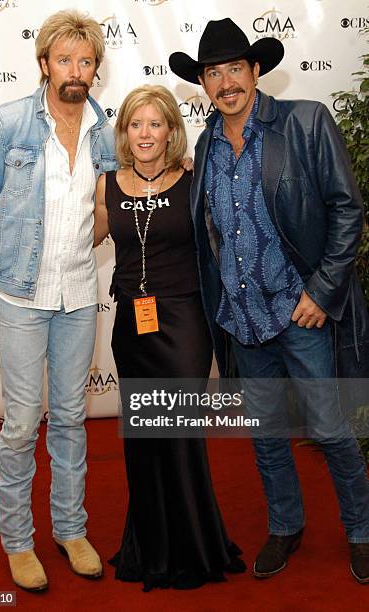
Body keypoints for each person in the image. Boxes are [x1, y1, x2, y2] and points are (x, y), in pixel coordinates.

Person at [169, 18, 369, 584]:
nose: (225, 81)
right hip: (242, 321)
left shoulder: (304, 122)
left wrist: (322, 291)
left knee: (330, 428)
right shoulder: (205, 146)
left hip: (299, 312)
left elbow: (346, 209)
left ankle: (362, 531)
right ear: (202, 84)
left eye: (236, 68)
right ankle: (286, 526)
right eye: (213, 73)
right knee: (267, 435)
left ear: (256, 71)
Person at [0, 10, 117, 592]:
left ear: (95, 69)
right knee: (23, 423)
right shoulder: (6, 124)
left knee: (71, 419)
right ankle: (18, 542)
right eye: (64, 59)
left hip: (79, 293)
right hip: (20, 297)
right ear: (44, 63)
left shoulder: (105, 129)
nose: (75, 71)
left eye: (85, 60)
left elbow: (113, 201)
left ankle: (71, 529)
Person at [94, 84, 246, 591]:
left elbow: (229, 232)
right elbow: (76, 238)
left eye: (155, 123)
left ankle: (195, 547)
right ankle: (150, 546)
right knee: (143, 439)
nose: (145, 133)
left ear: (170, 131)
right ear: (123, 132)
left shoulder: (192, 179)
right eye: (135, 124)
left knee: (179, 432)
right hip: (131, 328)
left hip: (183, 321)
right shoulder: (105, 186)